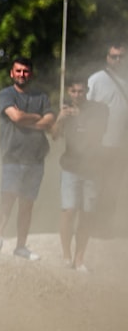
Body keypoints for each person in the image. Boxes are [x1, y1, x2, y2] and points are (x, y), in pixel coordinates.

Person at [0, 57, 55, 260]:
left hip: (35, 158)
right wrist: (36, 117)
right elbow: (15, 117)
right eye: (18, 71)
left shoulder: (41, 96)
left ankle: (21, 245)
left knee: (27, 204)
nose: (22, 75)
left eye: (25, 71)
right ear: (12, 73)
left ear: (31, 74)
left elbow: (50, 120)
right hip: (13, 156)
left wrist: (29, 119)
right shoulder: (6, 94)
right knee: (7, 198)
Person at [51, 79, 107, 272]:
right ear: (69, 92)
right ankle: (66, 256)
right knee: (68, 211)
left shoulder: (100, 110)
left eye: (81, 91)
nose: (77, 95)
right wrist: (60, 118)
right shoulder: (66, 113)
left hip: (92, 170)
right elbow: (55, 135)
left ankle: (79, 258)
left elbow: (98, 133)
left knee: (87, 214)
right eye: (74, 91)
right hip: (70, 168)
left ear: (87, 91)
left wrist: (80, 116)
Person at [86, 39, 128, 237]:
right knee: (96, 187)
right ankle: (90, 228)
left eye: (121, 57)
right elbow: (84, 110)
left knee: (113, 188)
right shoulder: (96, 80)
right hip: (100, 144)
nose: (118, 60)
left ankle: (105, 229)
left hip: (121, 146)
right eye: (114, 56)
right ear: (107, 58)